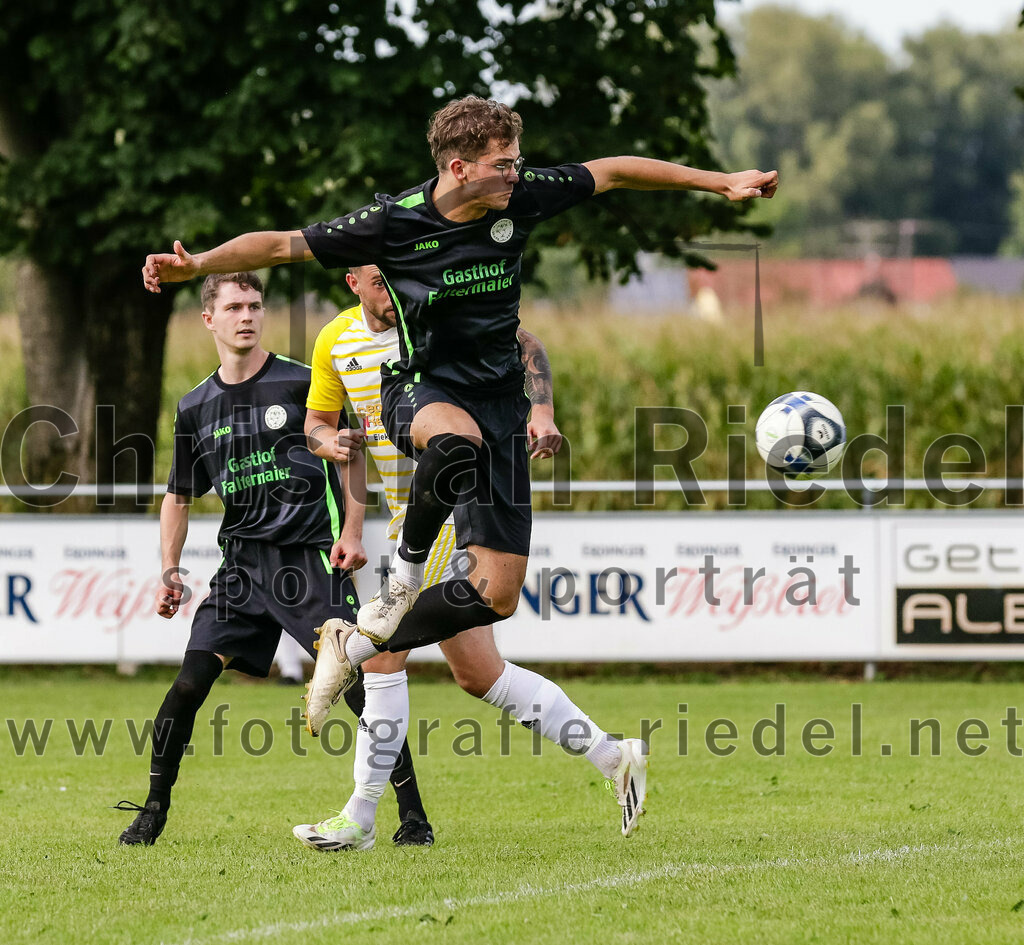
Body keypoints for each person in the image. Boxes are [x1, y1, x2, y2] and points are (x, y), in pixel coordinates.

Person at [141, 94, 776, 831]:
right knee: (453, 446)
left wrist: (719, 181)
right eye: (504, 163)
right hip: (424, 390)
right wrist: (201, 263)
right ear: (459, 167)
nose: (517, 173)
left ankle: (601, 750)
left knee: (493, 607)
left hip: (501, 409)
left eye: (517, 161)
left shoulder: (519, 195)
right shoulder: (394, 222)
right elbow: (281, 245)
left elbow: (612, 172)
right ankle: (374, 760)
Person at [289, 264, 642, 848]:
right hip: (409, 515)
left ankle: (360, 815)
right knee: (480, 674)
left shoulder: (434, 315)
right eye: (378, 280)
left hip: (462, 508)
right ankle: (613, 756)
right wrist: (331, 443)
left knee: (382, 655)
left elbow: (524, 341)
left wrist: (542, 411)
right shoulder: (334, 339)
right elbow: (317, 426)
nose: (391, 289)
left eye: (395, 277)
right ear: (353, 282)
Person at [115, 272, 433, 847]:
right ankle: (152, 810)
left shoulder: (301, 382)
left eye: (255, 305)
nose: (247, 316)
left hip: (308, 560)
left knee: (360, 686)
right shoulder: (195, 407)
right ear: (208, 319)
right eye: (234, 307)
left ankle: (413, 817)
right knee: (187, 685)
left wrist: (353, 532)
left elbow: (351, 454)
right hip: (241, 568)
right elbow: (178, 497)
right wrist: (169, 569)